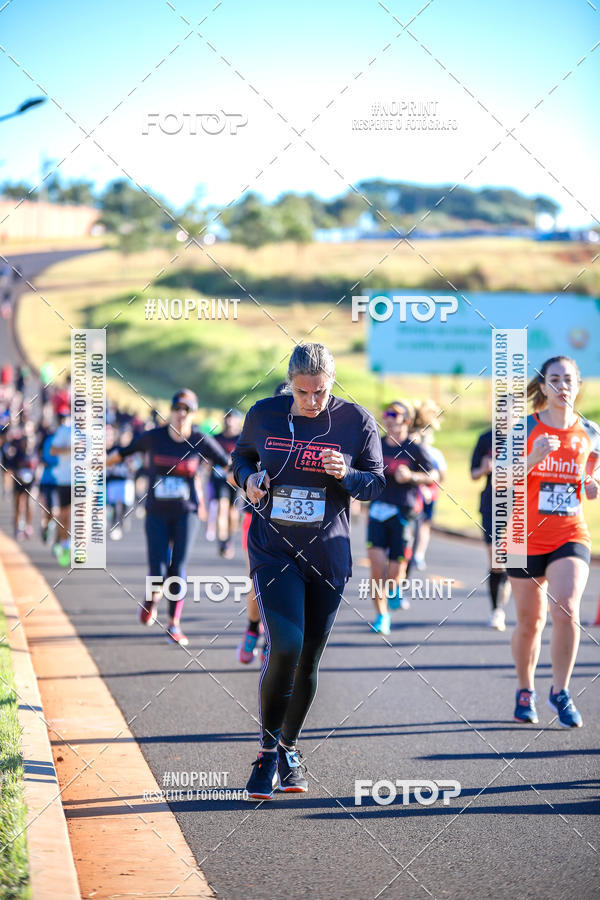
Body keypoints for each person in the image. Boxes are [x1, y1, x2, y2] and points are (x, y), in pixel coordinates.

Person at [232, 342, 385, 800]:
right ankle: (265, 753)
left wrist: (346, 474)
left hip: (327, 556)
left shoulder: (356, 421)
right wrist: (249, 480)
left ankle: (289, 748)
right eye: (302, 392)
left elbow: (375, 483)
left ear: (332, 383)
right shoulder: (264, 414)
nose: (312, 401)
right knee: (286, 645)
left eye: (320, 392)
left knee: (310, 658)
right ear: (290, 385)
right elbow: (241, 458)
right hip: (273, 549)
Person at [506, 356, 599, 728]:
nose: (562, 386)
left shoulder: (590, 431)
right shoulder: (524, 428)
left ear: (578, 385)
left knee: (566, 610)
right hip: (523, 536)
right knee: (530, 623)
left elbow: (592, 467)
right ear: (543, 387)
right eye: (555, 379)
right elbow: (500, 479)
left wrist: (592, 483)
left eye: (568, 379)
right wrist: (533, 458)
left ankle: (560, 691)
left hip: (569, 534)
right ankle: (524, 689)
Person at [106, 389, 230, 646]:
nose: (181, 414)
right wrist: (99, 464)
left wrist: (249, 476)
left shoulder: (199, 439)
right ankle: (152, 598)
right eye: (177, 409)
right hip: (157, 512)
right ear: (171, 411)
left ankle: (174, 624)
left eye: (187, 410)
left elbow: (227, 463)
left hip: (186, 512)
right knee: (158, 570)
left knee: (177, 567)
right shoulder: (154, 437)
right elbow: (125, 451)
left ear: (193, 413)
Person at [367, 400, 435, 635]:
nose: (388, 418)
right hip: (377, 510)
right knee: (376, 568)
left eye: (394, 414)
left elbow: (433, 475)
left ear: (406, 420)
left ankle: (395, 589)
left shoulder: (414, 448)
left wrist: (412, 477)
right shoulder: (376, 445)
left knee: (396, 572)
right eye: (386, 413)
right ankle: (381, 615)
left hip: (403, 513)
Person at [471, 426, 510, 630]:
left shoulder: (528, 435)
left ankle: (508, 578)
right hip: (491, 504)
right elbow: (473, 473)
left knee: (512, 560)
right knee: (497, 560)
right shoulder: (486, 438)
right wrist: (484, 469)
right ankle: (497, 611)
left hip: (520, 504)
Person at [411, 400, 446, 570]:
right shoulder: (413, 450)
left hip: (430, 495)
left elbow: (441, 476)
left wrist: (430, 486)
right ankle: (411, 552)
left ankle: (419, 554)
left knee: (425, 524)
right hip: (414, 495)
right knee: (414, 525)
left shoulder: (435, 453)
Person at [208, 409, 243, 559]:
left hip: (235, 479)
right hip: (219, 478)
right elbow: (208, 457)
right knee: (221, 508)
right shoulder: (216, 437)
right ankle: (222, 542)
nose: (229, 421)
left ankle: (230, 539)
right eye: (227, 418)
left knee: (232, 511)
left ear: (237, 421)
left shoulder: (242, 437)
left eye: (232, 418)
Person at [48, 405, 72, 566]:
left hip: (85, 481)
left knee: (81, 515)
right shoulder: (64, 431)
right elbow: (53, 450)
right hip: (65, 480)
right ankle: (64, 544)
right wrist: (70, 449)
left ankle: (79, 547)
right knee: (64, 515)